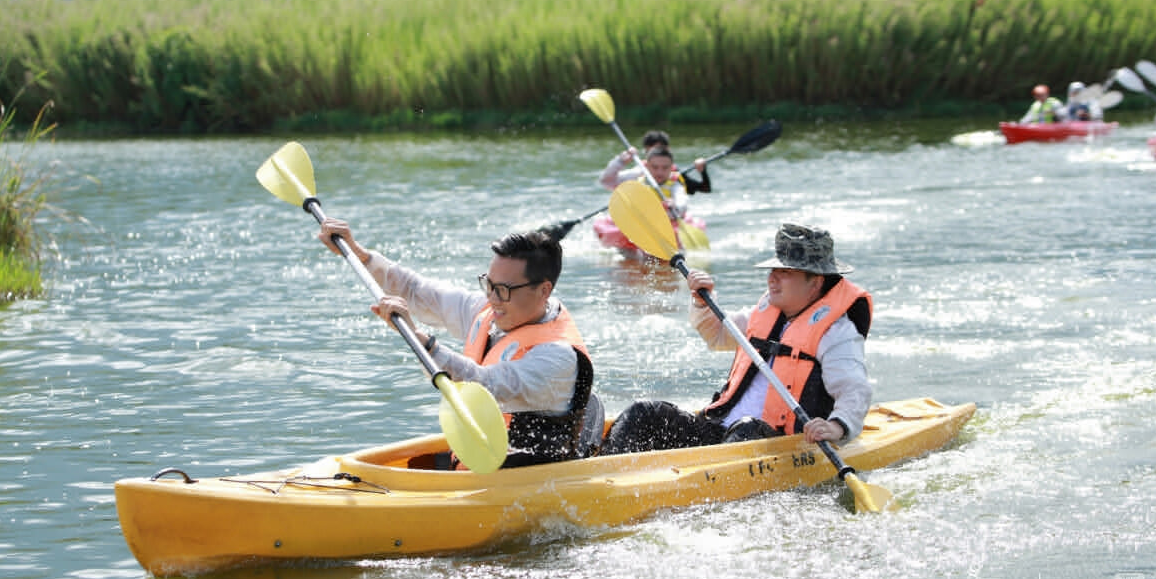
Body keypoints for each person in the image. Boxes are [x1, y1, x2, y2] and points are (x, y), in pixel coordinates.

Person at [317, 220, 599, 468]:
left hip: (527, 476)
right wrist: (360, 255)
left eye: (503, 290)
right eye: (489, 284)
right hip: (477, 467)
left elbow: (482, 386)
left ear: (544, 290)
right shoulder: (491, 311)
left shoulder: (557, 357)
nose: (492, 298)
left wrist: (423, 342)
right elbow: (417, 291)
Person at [601, 223, 873, 454]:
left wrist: (836, 427)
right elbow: (717, 336)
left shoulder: (837, 333)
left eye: (785, 273)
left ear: (815, 282)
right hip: (719, 430)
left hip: (775, 442)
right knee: (644, 413)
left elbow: (854, 391)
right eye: (773, 271)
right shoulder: (766, 311)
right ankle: (602, 469)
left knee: (747, 427)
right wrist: (701, 302)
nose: (772, 279)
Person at [599, 131, 711, 219]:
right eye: (655, 167)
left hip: (667, 218)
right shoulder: (638, 175)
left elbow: (691, 194)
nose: (660, 172)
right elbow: (606, 181)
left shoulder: (675, 179)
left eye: (665, 167)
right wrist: (619, 161)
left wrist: (703, 171)